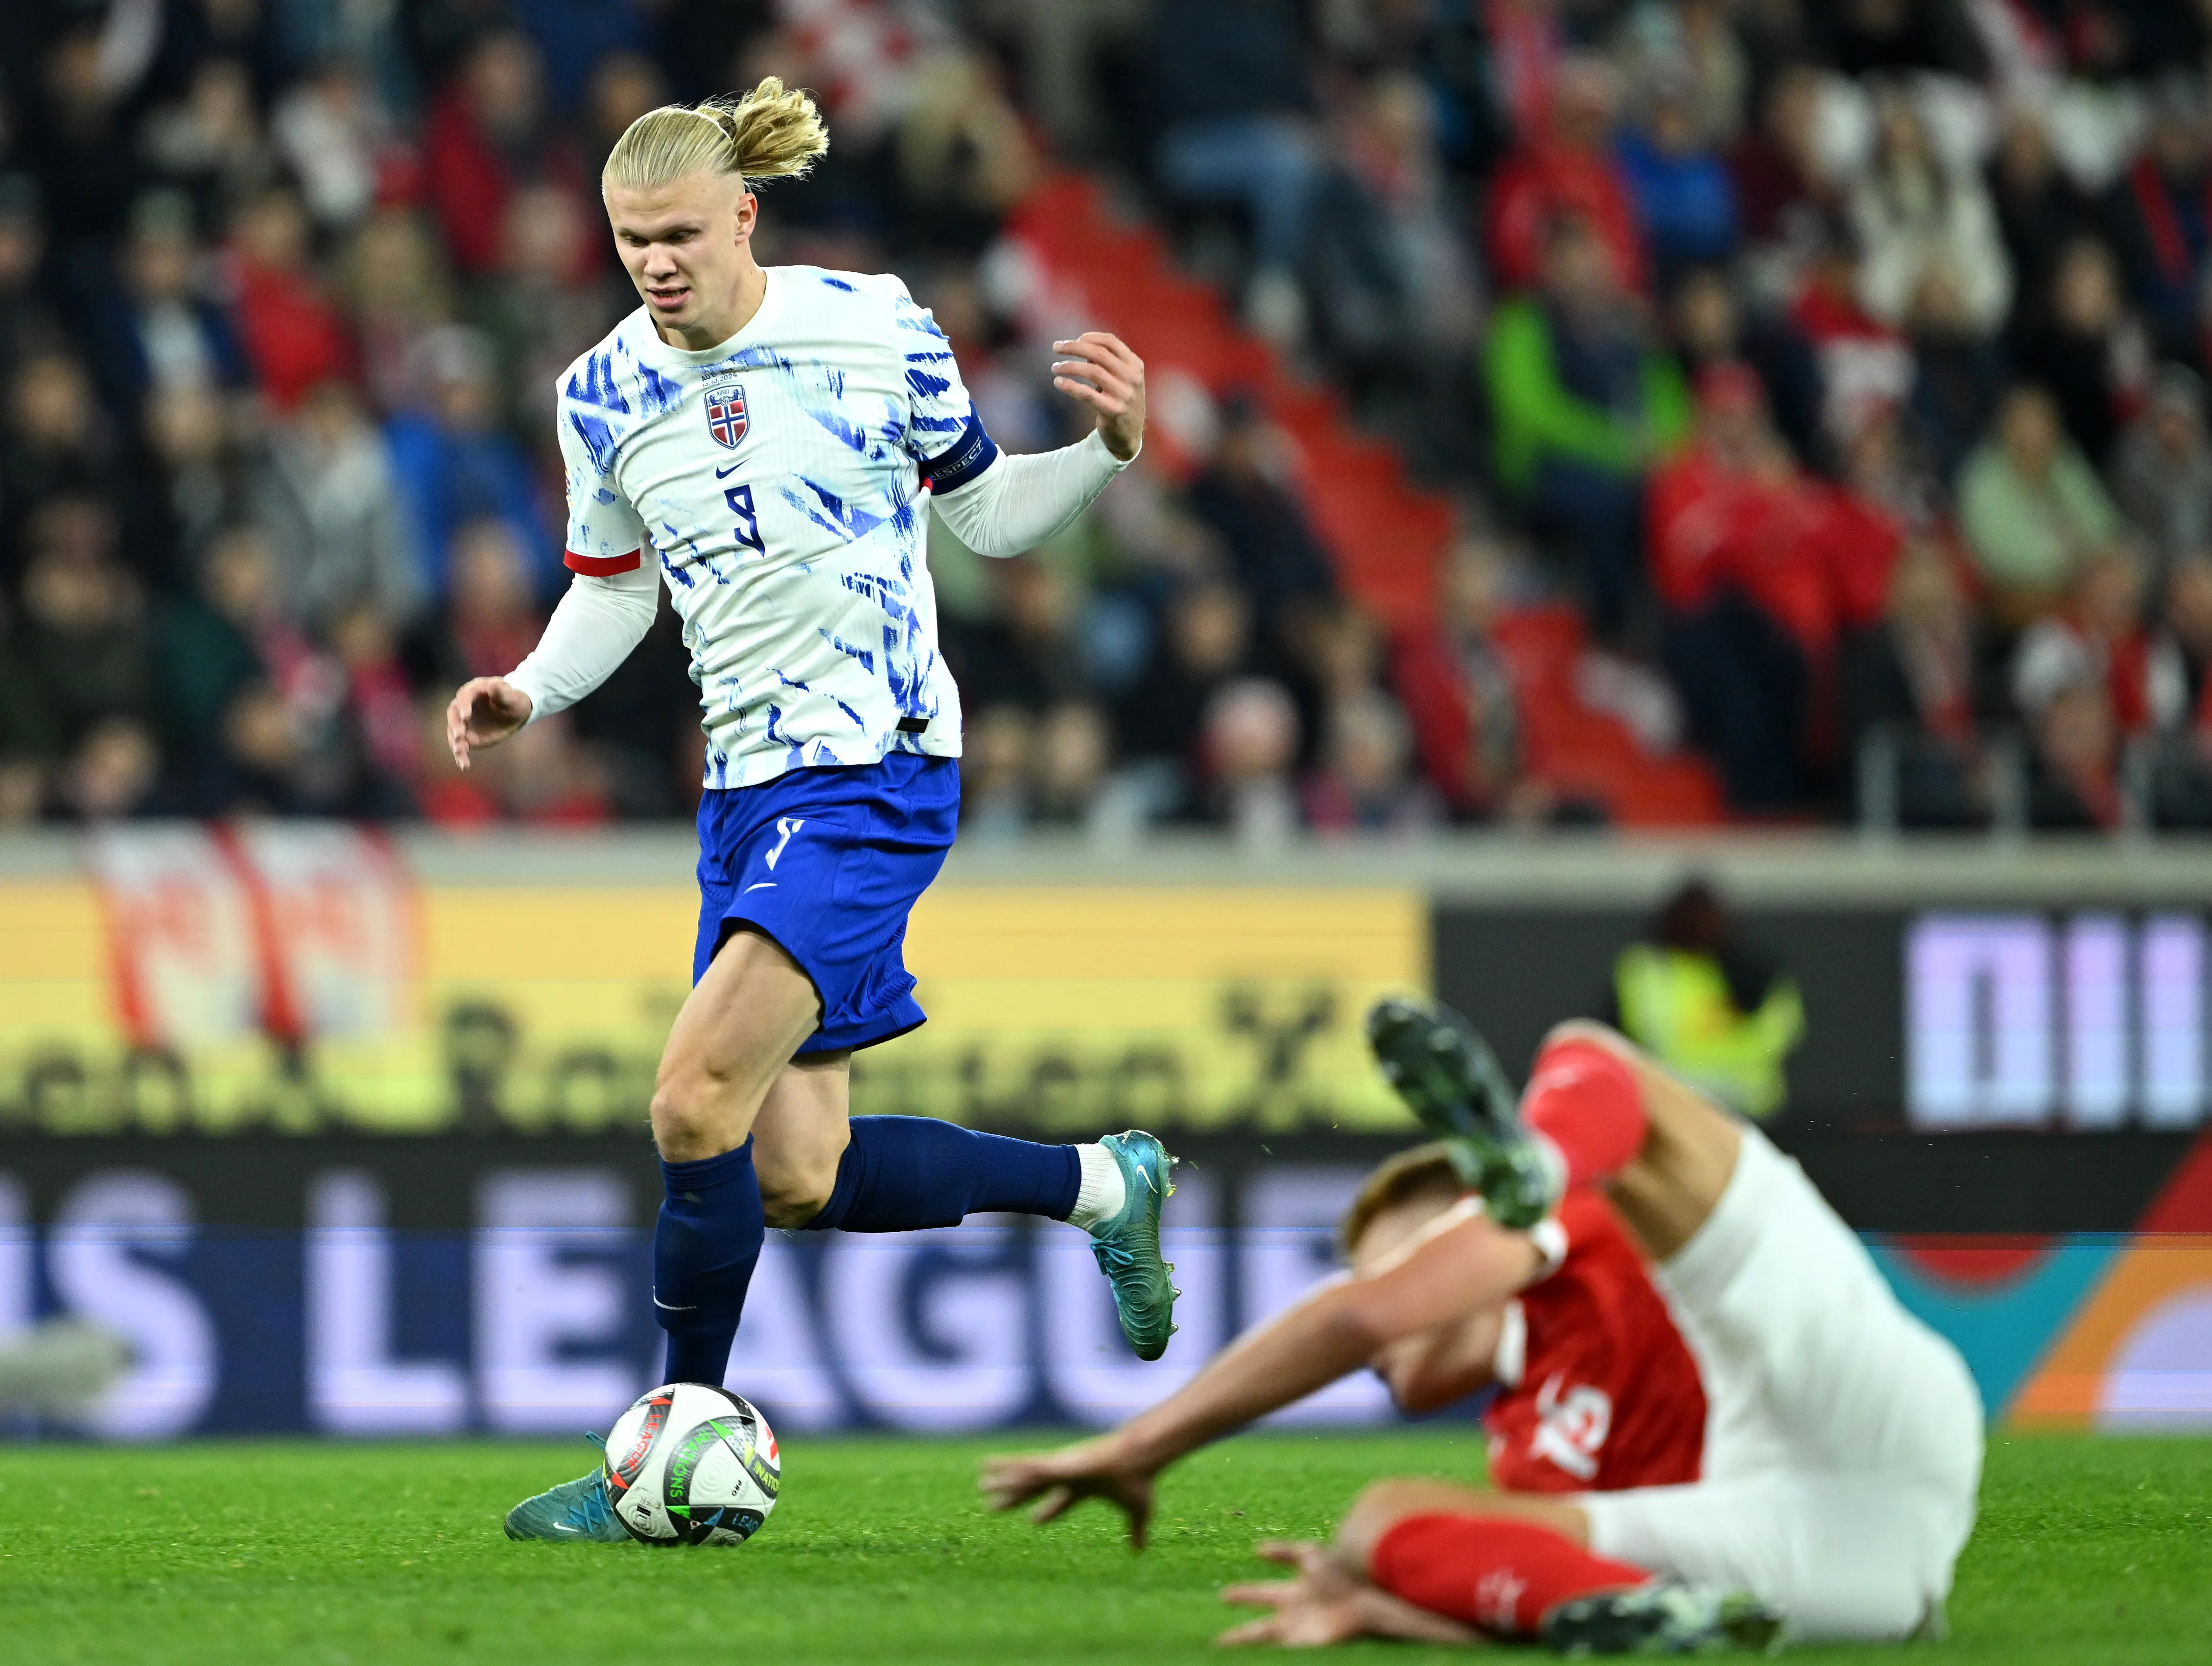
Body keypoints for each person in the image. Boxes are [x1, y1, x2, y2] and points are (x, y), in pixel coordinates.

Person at [448, 81, 1181, 1542]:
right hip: (744, 793)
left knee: (687, 1097)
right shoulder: (598, 390)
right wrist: (529, 688)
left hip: (876, 768)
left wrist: (1103, 456)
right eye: (627, 240)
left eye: (675, 234)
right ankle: (1105, 1183)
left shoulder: (874, 323)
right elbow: (616, 590)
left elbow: (981, 513)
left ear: (743, 215)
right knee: (795, 1172)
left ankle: (649, 1456)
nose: (653, 264)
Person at [983, 997, 1982, 1651]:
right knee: (1380, 1526)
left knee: (1590, 1059)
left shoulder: (1589, 1231)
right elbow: (1526, 1580)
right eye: (1383, 1268)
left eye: (1404, 1248)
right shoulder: (1524, 1452)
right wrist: (1385, 1610)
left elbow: (1364, 1315)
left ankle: (1537, 1159)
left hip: (1867, 1412)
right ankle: (1681, 1632)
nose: (1388, 1288)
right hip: (1832, 1570)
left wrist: (1141, 1444)